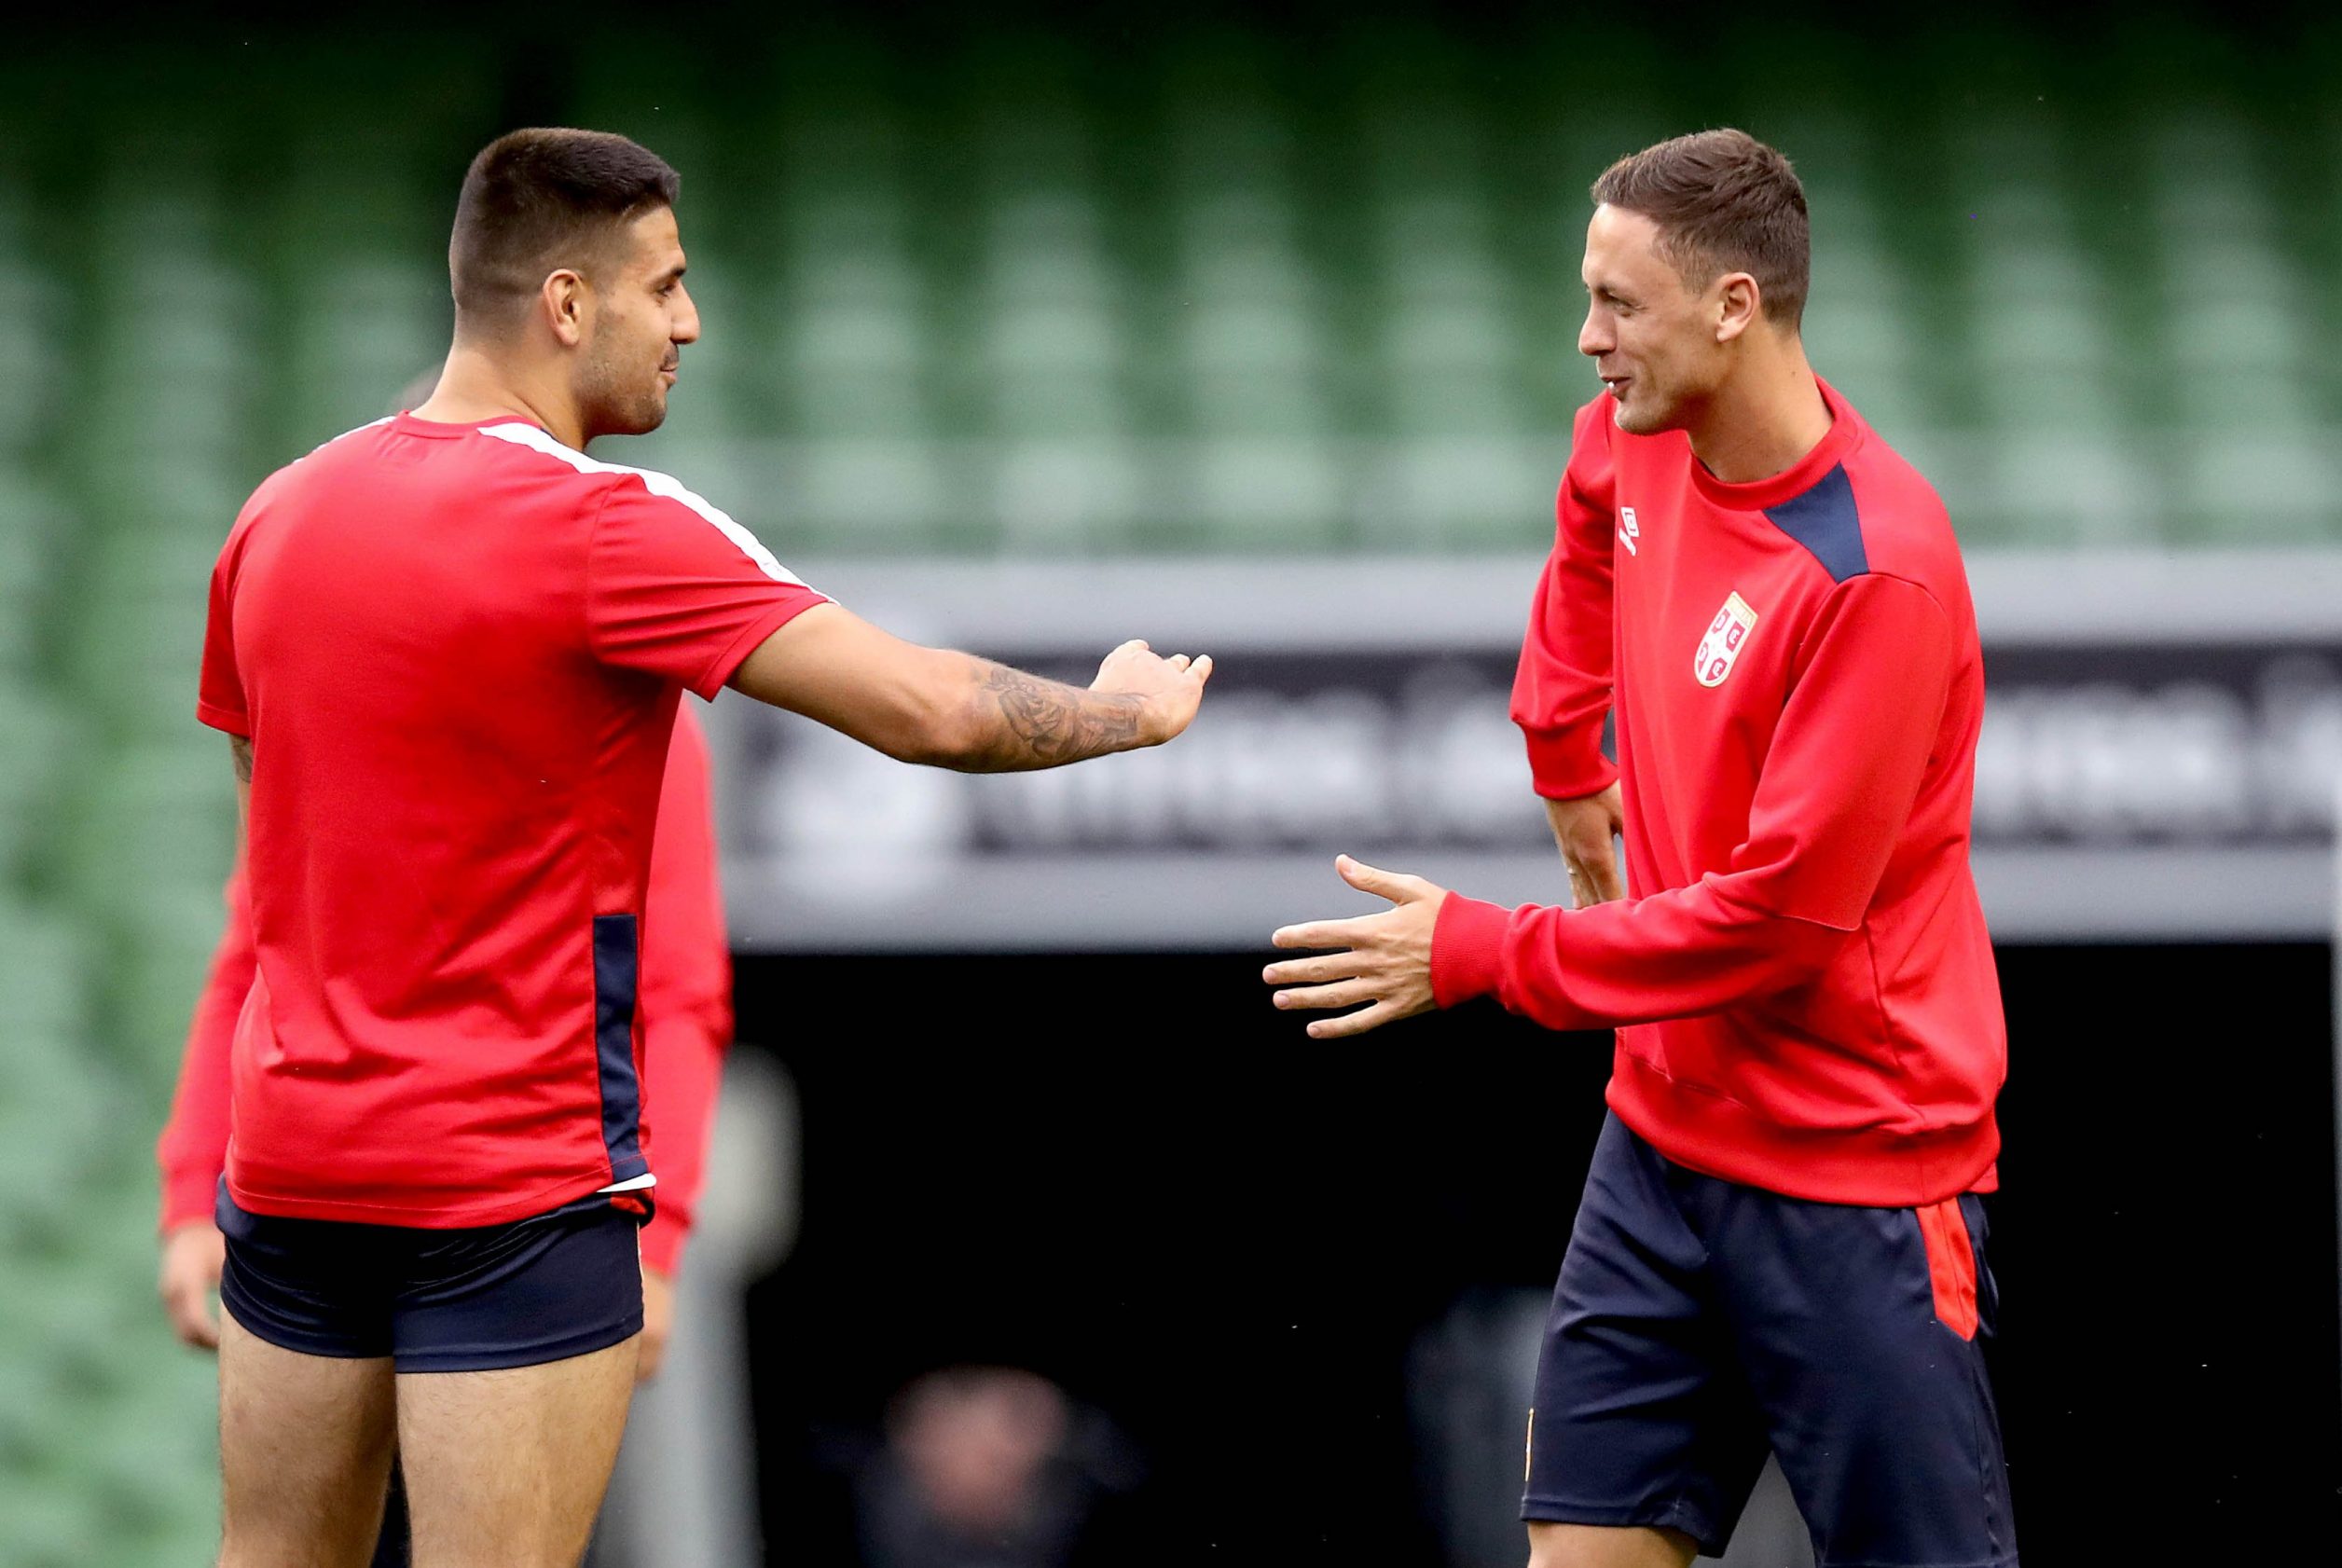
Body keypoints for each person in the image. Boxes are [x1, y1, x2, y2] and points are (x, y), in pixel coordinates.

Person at [196, 126, 1211, 1568]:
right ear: (565, 304)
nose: (689, 321)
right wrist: (1122, 715)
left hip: (294, 1161)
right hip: (512, 1183)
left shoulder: (274, 512)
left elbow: (268, 808)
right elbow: (930, 713)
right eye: (663, 284)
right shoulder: (608, 525)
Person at [1265, 130, 2013, 1568]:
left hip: (1855, 1177)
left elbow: (1778, 926)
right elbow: (1583, 540)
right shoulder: (1631, 434)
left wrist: (1485, 950)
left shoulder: (1877, 570)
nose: (1588, 337)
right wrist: (1563, 753)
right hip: (1662, 1144)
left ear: (1735, 305)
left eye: (1619, 303)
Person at [158, 697, 731, 1566]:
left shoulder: (624, 704)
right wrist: (195, 1184)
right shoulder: (336, 675)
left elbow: (674, 982)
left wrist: (660, 1241)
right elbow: (261, 943)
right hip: (325, 1220)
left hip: (525, 1226)